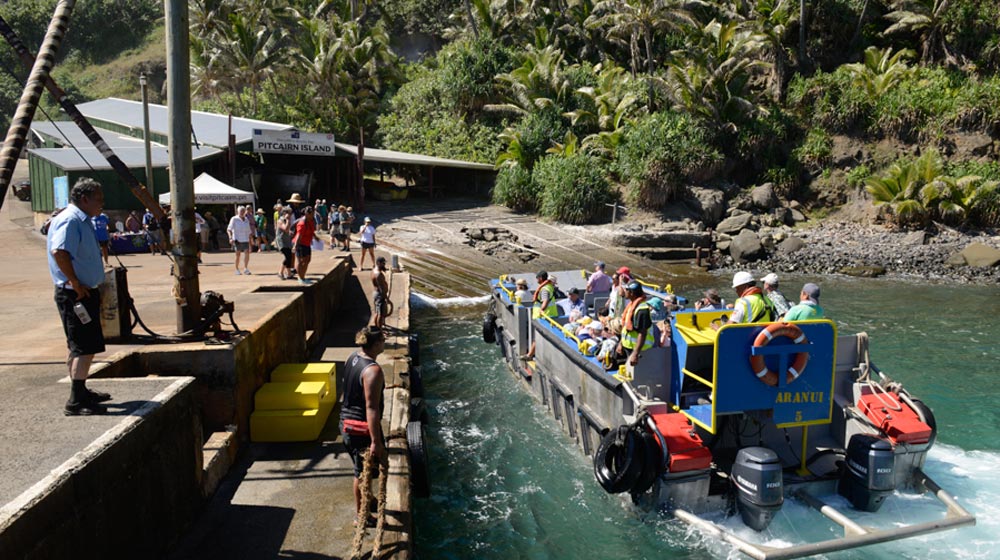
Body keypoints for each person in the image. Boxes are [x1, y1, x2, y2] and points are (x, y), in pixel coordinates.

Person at [47, 178, 112, 415]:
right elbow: (59, 251)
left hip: (82, 291)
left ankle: (81, 391)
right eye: (98, 199)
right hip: (75, 294)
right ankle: (76, 401)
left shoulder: (82, 220)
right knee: (85, 347)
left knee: (80, 345)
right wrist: (75, 282)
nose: (102, 204)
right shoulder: (71, 220)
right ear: (84, 199)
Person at [340, 326, 387, 526]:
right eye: (383, 340)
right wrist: (376, 441)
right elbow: (371, 408)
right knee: (362, 473)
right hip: (360, 429)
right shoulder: (373, 371)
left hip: (345, 422)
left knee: (363, 470)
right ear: (375, 345)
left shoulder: (353, 357)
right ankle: (361, 516)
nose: (385, 343)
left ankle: (368, 500)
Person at [615, 281, 653, 374]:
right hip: (629, 347)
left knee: (637, 375)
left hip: (640, 350)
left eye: (627, 290)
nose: (625, 292)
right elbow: (626, 328)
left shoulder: (642, 310)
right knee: (629, 372)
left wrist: (635, 353)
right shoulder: (632, 305)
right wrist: (621, 343)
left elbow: (642, 333)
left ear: (632, 293)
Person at [521, 270, 558, 361]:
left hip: (544, 317)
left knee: (537, 337)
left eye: (537, 278)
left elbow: (545, 301)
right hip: (551, 315)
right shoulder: (549, 287)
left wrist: (541, 310)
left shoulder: (544, 289)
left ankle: (530, 355)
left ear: (541, 278)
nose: (537, 280)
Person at [292, 206, 317, 285]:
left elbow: (312, 231)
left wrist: (316, 238)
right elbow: (299, 235)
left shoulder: (311, 221)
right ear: (307, 214)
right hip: (300, 243)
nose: (313, 215)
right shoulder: (302, 223)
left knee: (307, 260)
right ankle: (300, 278)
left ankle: (303, 277)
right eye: (312, 214)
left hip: (307, 243)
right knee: (301, 261)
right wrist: (295, 246)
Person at [227, 205, 253, 275]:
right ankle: (236, 269)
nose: (242, 212)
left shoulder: (246, 219)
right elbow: (229, 229)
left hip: (245, 239)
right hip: (237, 239)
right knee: (238, 255)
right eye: (241, 211)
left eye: (243, 211)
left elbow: (249, 231)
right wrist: (230, 238)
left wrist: (251, 240)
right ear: (237, 212)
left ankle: (245, 268)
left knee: (247, 253)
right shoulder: (234, 219)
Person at [275, 207, 295, 280]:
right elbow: (285, 229)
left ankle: (289, 274)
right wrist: (288, 220)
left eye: (290, 213)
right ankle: (280, 273)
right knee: (287, 256)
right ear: (284, 213)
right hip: (281, 241)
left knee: (289, 256)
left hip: (287, 240)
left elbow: (287, 230)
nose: (290, 215)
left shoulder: (286, 220)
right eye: (288, 213)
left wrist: (290, 232)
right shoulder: (280, 220)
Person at [372, 256, 391, 329]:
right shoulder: (378, 274)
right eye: (383, 263)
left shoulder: (374, 270)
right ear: (378, 263)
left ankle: (376, 328)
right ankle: (379, 330)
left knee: (377, 312)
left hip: (376, 294)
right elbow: (381, 289)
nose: (384, 265)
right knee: (381, 314)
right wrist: (386, 298)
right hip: (380, 295)